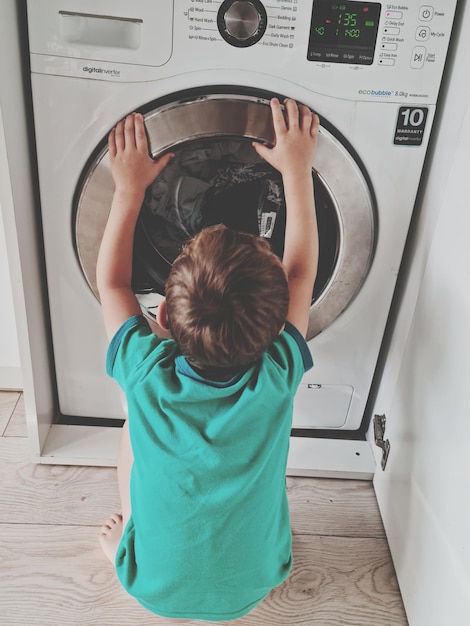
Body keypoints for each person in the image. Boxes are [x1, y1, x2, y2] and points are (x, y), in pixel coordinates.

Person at [96, 98, 320, 621]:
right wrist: (297, 170)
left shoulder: (145, 373)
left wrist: (128, 189)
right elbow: (303, 273)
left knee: (135, 423)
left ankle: (122, 549)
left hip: (152, 586)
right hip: (261, 580)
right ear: (274, 330)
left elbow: (112, 282)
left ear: (165, 323)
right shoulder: (279, 372)